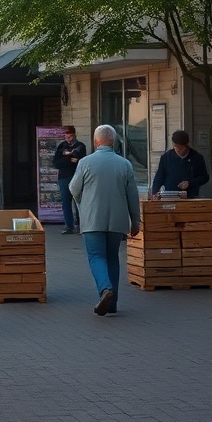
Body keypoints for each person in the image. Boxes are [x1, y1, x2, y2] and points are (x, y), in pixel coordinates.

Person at [69, 124, 141, 316]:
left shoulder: (85, 163)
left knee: (96, 257)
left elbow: (73, 189)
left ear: (96, 141)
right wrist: (136, 221)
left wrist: (82, 205)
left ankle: (104, 289)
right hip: (117, 221)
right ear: (114, 141)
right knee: (112, 257)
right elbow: (133, 196)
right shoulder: (125, 164)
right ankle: (112, 302)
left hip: (92, 219)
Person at [150, 130, 209, 199]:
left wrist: (189, 183)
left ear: (186, 146)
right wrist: (154, 192)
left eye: (180, 147)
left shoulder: (197, 158)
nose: (177, 149)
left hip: (190, 197)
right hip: (170, 196)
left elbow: (204, 177)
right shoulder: (166, 157)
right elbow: (159, 176)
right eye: (175, 146)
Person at [52, 126, 87, 234]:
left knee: (79, 201)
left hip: (76, 176)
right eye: (66, 136)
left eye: (70, 136)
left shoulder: (80, 146)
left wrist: (75, 160)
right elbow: (55, 163)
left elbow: (82, 162)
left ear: (74, 135)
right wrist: (69, 159)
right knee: (66, 202)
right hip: (64, 177)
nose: (68, 139)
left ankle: (81, 225)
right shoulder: (62, 146)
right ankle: (69, 225)